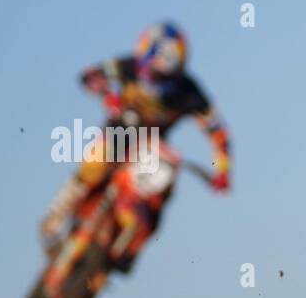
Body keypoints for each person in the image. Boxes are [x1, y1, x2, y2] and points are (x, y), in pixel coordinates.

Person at [39, 22, 231, 263]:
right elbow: (91, 75)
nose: (151, 76)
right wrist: (106, 94)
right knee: (95, 165)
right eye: (148, 69)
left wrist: (222, 171)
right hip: (121, 131)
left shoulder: (190, 93)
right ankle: (54, 220)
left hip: (151, 148)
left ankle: (131, 248)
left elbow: (219, 133)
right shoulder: (128, 65)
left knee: (163, 192)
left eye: (160, 74)